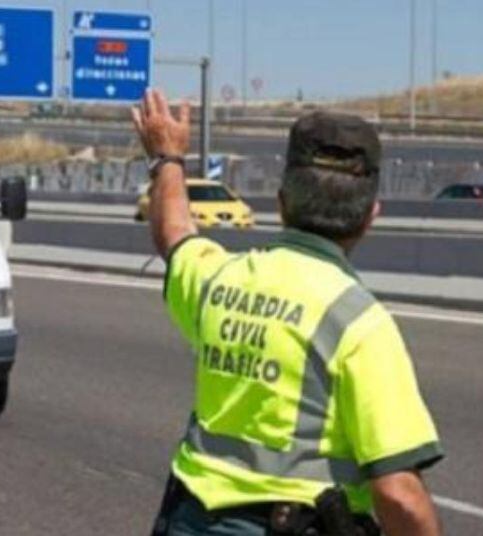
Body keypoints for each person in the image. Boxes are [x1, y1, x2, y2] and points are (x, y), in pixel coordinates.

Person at [133, 89, 443, 536]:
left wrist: (168, 158)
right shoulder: (359, 323)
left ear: (281, 204)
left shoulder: (220, 280)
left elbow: (175, 235)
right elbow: (399, 496)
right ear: (369, 218)